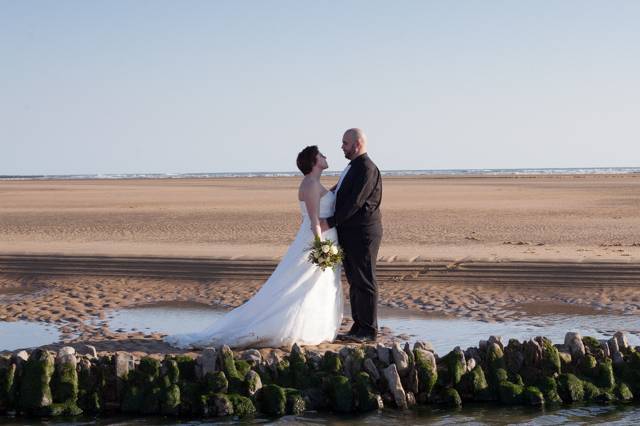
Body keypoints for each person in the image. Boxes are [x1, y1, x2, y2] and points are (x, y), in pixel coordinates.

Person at [164, 146, 343, 349]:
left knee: (311, 285)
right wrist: (321, 248)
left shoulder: (315, 183)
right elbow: (314, 222)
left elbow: (328, 198)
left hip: (320, 240)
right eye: (321, 155)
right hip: (315, 241)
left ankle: (314, 326)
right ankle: (291, 327)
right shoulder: (310, 184)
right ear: (313, 161)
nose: (325, 157)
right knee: (299, 285)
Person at [320, 128, 382, 343]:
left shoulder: (366, 168)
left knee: (365, 280)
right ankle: (358, 326)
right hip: (351, 232)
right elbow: (339, 193)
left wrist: (330, 221)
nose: (341, 147)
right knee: (355, 280)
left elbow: (355, 202)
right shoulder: (353, 166)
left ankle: (369, 330)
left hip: (363, 233)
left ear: (357, 145)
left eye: (345, 143)